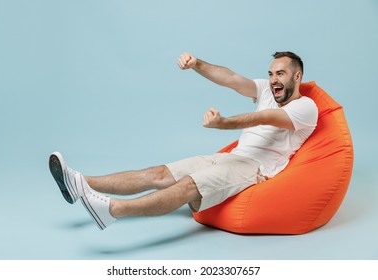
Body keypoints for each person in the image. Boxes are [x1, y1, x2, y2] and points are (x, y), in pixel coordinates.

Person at [49, 51, 318, 230]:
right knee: (161, 173)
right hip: (231, 156)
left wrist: (223, 123)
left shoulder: (307, 108)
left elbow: (267, 118)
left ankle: (114, 210)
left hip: (254, 168)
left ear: (297, 76)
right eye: (271, 74)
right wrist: (197, 64)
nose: (273, 80)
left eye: (280, 74)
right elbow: (231, 78)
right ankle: (79, 183)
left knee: (190, 185)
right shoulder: (267, 89)